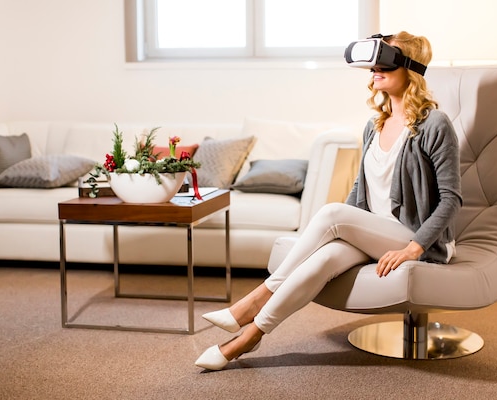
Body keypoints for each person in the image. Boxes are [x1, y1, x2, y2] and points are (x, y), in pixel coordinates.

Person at [195, 31, 462, 371]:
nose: (374, 70)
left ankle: (255, 299)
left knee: (333, 213)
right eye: (373, 65)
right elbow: (360, 189)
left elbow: (451, 200)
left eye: (384, 63)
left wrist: (414, 248)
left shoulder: (434, 124)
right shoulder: (374, 125)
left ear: (409, 68)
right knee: (324, 259)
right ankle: (248, 337)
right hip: (376, 234)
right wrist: (341, 231)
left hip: (417, 239)